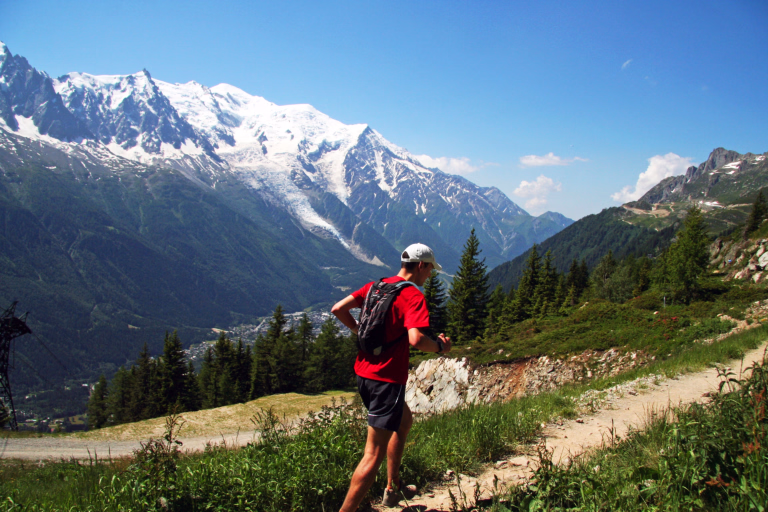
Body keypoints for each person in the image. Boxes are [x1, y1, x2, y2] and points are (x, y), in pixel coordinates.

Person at [332, 243, 452, 511]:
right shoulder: (413, 296)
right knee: (372, 454)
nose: (430, 274)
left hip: (364, 373)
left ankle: (393, 488)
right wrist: (440, 347)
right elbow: (416, 339)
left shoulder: (375, 286)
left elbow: (338, 309)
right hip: (386, 380)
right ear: (420, 265)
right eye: (430, 269)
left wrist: (358, 330)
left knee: (404, 420)